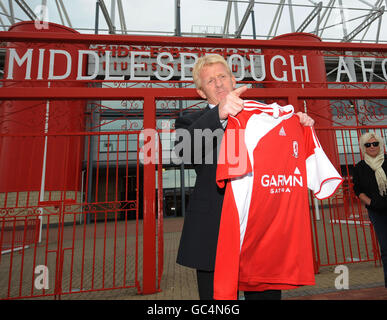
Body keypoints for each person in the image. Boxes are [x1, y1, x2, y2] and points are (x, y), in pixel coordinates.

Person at [174, 54, 314, 300]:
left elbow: (290, 156)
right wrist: (219, 114)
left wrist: (299, 126)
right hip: (213, 231)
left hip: (260, 227)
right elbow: (184, 151)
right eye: (210, 81)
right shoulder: (190, 121)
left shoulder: (266, 117)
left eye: (222, 77)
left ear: (233, 79)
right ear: (200, 92)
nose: (218, 84)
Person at [353, 132, 387, 288]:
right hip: (377, 212)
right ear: (363, 147)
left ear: (380, 145)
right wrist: (371, 203)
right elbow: (358, 190)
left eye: (375, 144)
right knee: (386, 248)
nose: (372, 147)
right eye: (368, 145)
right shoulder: (360, 167)